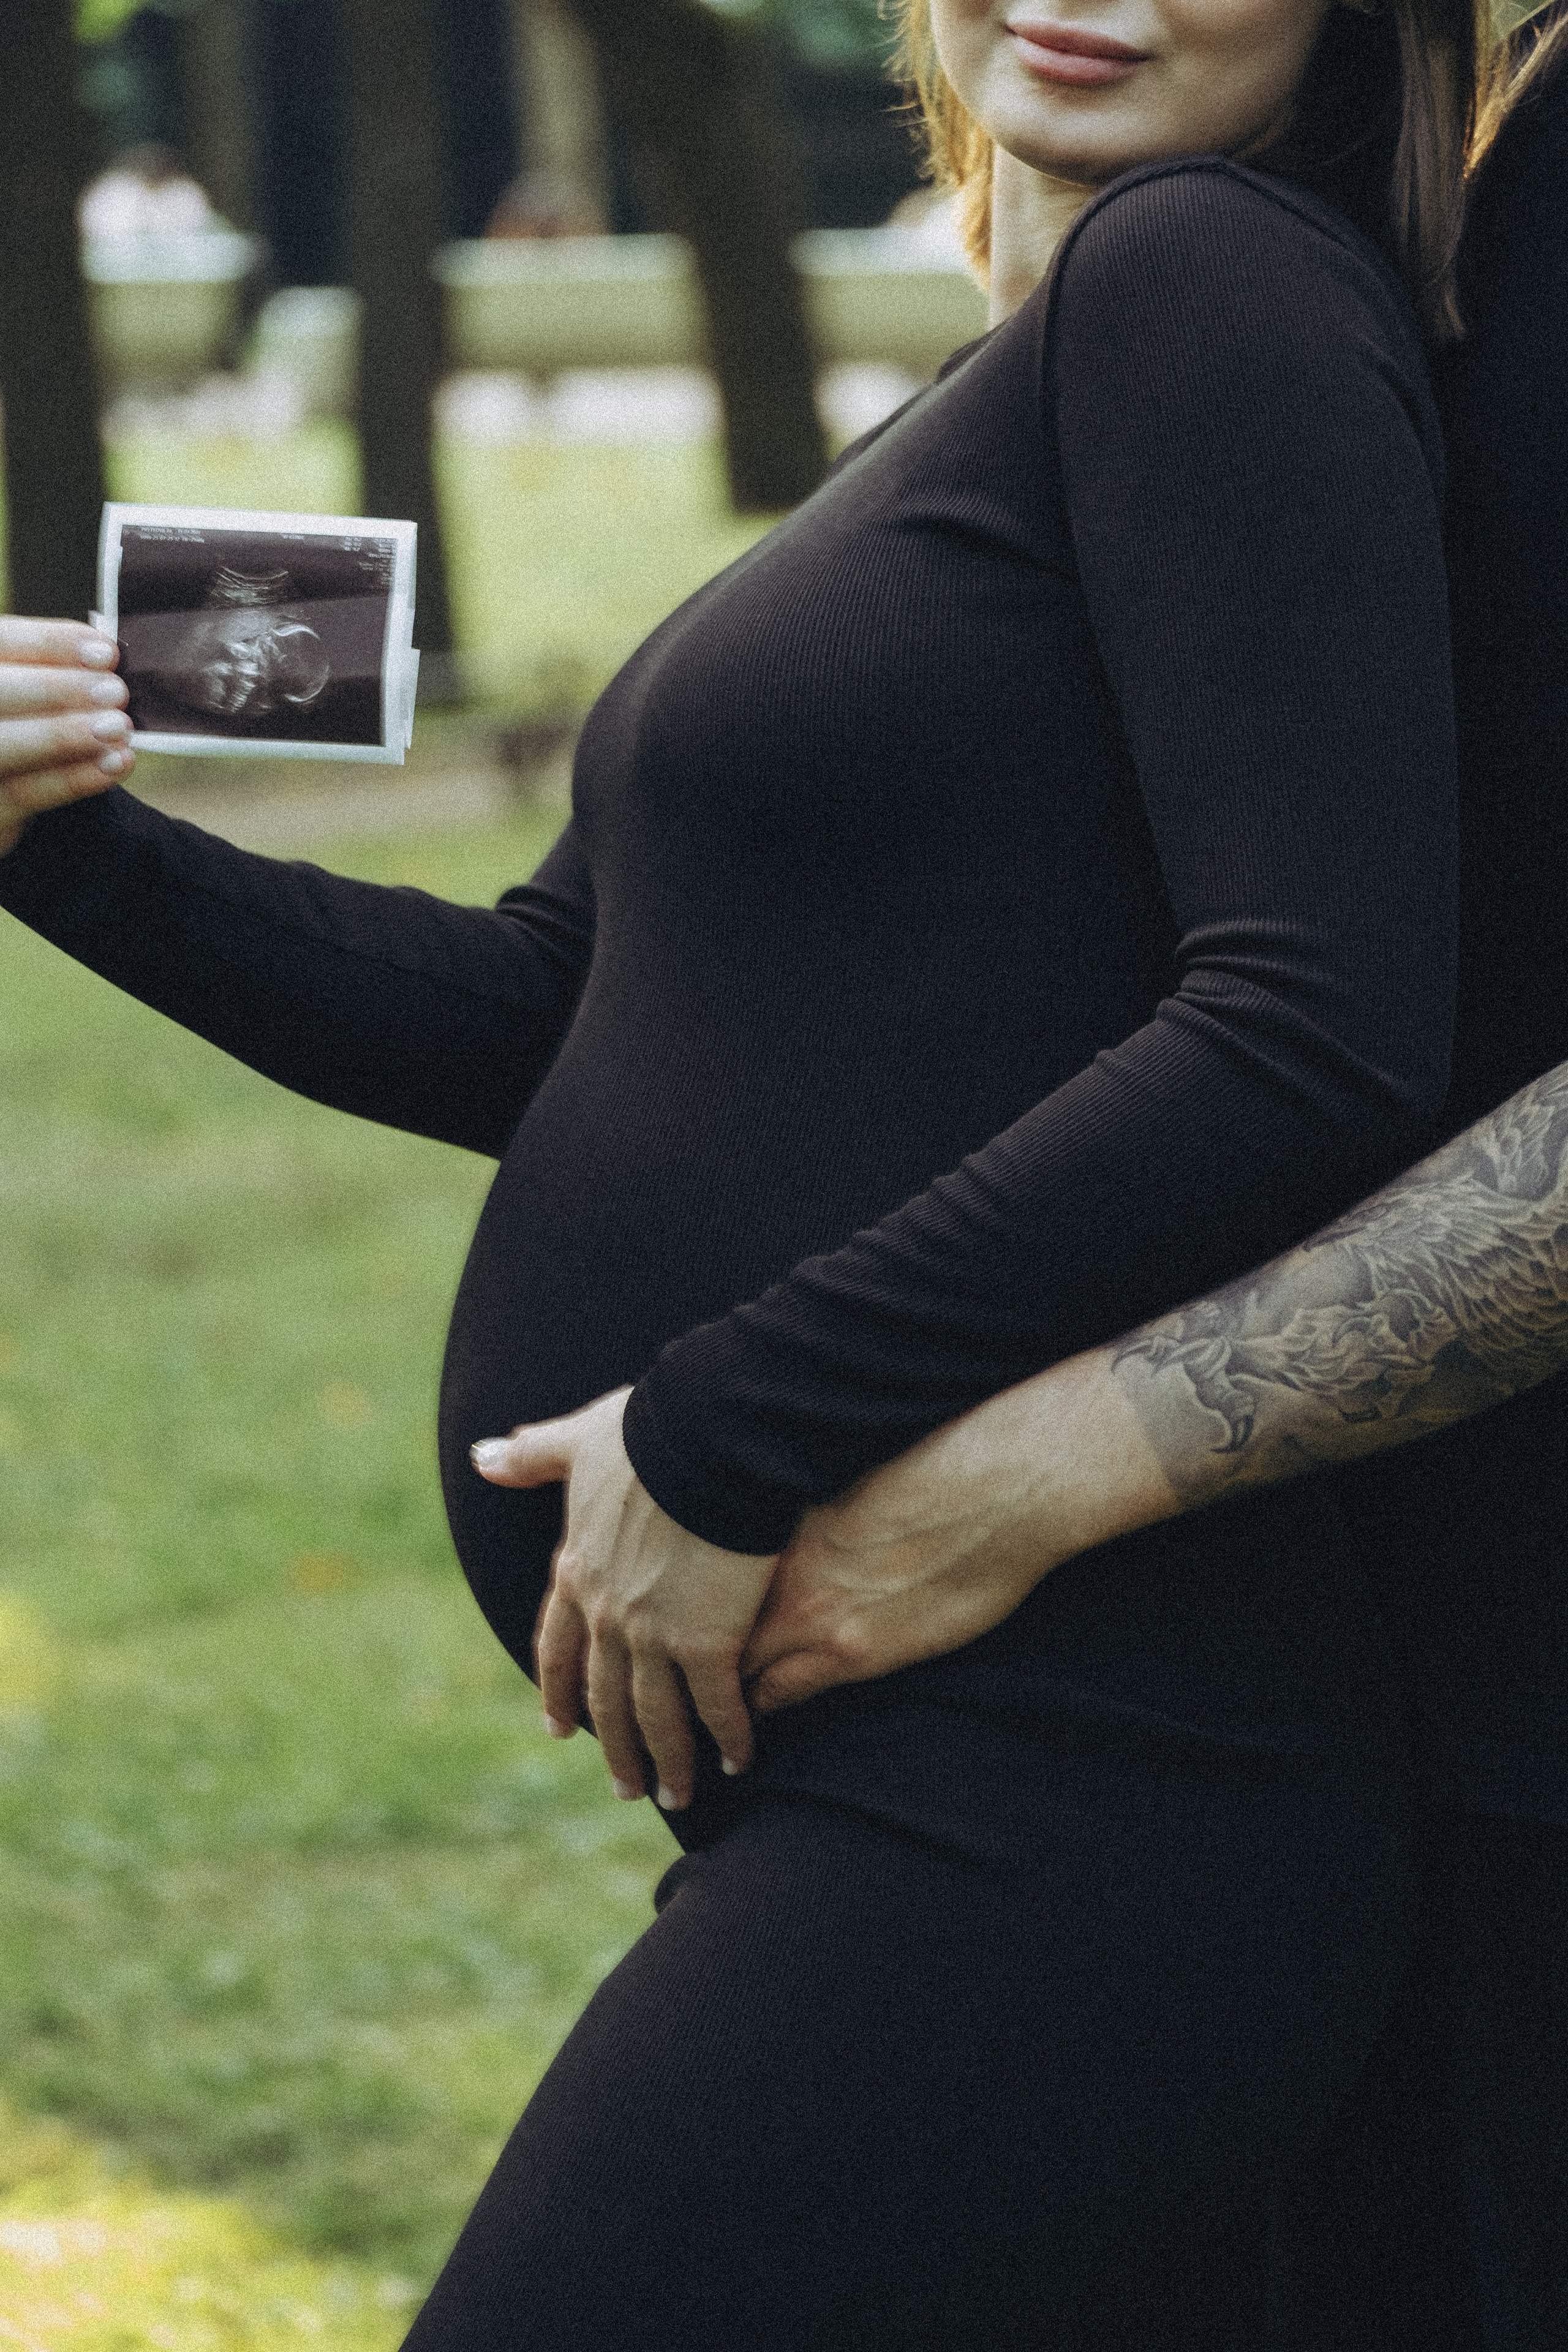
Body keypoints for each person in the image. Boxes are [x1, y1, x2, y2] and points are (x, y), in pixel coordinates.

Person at [0, 6, 1551, 2349]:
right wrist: (73, 854)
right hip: (940, 1782)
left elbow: (1312, 1028)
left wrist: (731, 1430)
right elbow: (559, 1014)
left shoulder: (1212, 277)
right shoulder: (1029, 361)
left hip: (1086, 1783)